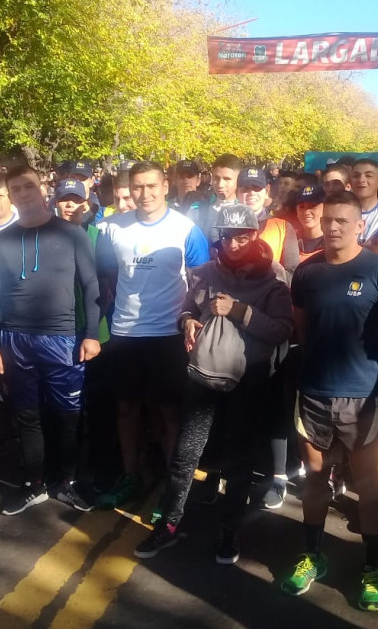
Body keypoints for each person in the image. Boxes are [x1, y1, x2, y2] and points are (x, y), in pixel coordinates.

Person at [134, 204, 293, 564]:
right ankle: (170, 524)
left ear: (255, 235)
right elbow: (186, 308)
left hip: (249, 379)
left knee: (239, 459)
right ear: (218, 238)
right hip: (204, 374)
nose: (235, 244)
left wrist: (239, 311)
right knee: (186, 455)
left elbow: (284, 330)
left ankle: (230, 530)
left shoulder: (274, 278)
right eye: (228, 236)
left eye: (243, 236)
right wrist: (187, 321)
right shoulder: (205, 272)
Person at [281, 191, 378, 612]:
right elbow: (301, 327)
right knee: (315, 481)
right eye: (326, 219)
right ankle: (313, 556)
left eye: (341, 221)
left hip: (363, 397)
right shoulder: (307, 273)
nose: (332, 227)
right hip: (313, 393)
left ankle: (371, 568)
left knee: (368, 487)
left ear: (359, 227)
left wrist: (377, 375)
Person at [0, 165, 101, 515]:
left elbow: (91, 285)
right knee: (27, 416)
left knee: (67, 416)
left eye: (29, 187)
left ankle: (66, 482)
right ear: (11, 195)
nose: (24, 194)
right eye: (16, 190)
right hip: (15, 340)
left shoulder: (71, 233)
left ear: (42, 188)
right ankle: (34, 483)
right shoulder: (0, 241)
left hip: (62, 338)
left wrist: (92, 334)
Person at [95, 161, 210, 509]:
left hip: (168, 334)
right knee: (127, 409)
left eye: (151, 186)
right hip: (125, 333)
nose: (144, 194)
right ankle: (131, 475)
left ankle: (173, 489)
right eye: (137, 187)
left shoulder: (186, 229)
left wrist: (191, 319)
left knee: (170, 413)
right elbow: (106, 280)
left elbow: (201, 280)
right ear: (129, 189)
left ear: (165, 187)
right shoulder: (110, 228)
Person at [237, 166, 300, 276]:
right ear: (237, 193)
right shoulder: (225, 226)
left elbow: (292, 272)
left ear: (266, 191)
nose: (251, 193)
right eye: (245, 189)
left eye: (256, 188)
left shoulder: (283, 227)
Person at [188, 154, 241, 243]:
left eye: (227, 179)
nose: (220, 184)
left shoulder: (246, 211)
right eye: (216, 178)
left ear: (238, 180)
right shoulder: (196, 210)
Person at [295, 184, 326, 264]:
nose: (306, 212)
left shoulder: (333, 241)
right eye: (302, 207)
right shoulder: (289, 238)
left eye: (312, 206)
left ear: (325, 208)